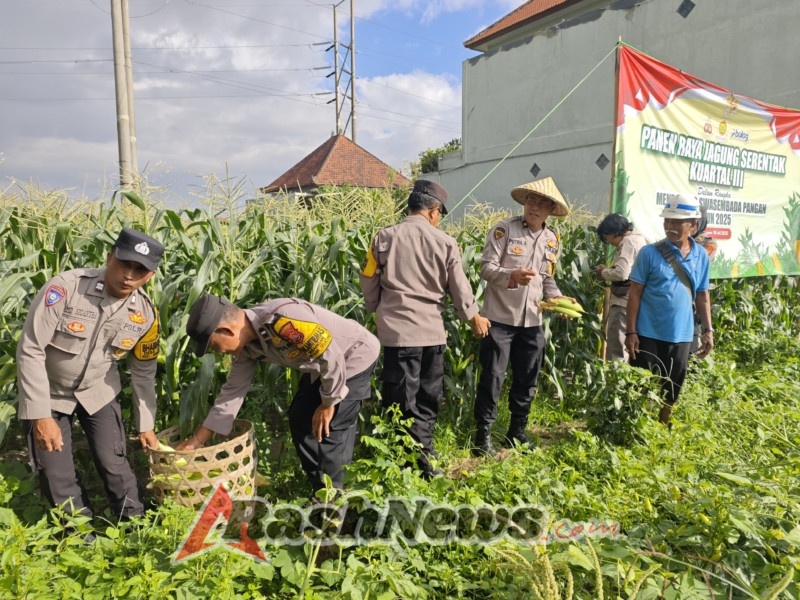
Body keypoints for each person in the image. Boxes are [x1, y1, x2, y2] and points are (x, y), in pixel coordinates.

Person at [17, 228, 164, 522]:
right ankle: (79, 536)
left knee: (114, 463)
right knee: (57, 474)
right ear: (109, 258)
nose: (129, 275)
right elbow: (30, 349)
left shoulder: (146, 315)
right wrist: (40, 415)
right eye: (124, 263)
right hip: (50, 393)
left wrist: (146, 424)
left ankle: (134, 526)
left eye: (140, 270)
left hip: (99, 391)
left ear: (150, 276)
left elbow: (144, 372)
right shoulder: (65, 289)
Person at [179, 294, 379, 492]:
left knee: (330, 430)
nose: (218, 351)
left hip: (353, 356)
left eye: (214, 345)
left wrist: (328, 403)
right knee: (300, 418)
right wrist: (198, 440)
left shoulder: (283, 320)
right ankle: (321, 488)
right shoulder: (248, 346)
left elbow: (331, 354)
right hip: (323, 368)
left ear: (226, 330)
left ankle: (333, 504)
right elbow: (232, 391)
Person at [359, 179, 491, 479]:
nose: (439, 219)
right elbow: (459, 287)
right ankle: (424, 456)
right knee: (427, 397)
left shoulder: (382, 238)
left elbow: (368, 280)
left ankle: (403, 457)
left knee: (399, 397)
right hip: (432, 333)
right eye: (440, 213)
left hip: (396, 334)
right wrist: (473, 318)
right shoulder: (445, 242)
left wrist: (375, 307)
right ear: (433, 211)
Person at [472, 177, 574, 456]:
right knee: (493, 377)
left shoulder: (553, 240)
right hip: (499, 319)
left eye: (543, 203)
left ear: (551, 210)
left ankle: (516, 431)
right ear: (524, 202)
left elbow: (547, 280)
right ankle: (482, 436)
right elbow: (486, 269)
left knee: (527, 378)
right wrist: (511, 276)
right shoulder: (504, 230)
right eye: (531, 200)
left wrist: (559, 299)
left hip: (532, 321)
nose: (535, 206)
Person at [625, 193, 714, 425]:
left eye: (676, 222)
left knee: (673, 385)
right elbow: (634, 293)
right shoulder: (649, 253)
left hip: (682, 334)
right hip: (647, 333)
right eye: (667, 221)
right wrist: (631, 332)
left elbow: (703, 295)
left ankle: (664, 425)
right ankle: (634, 426)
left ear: (692, 225)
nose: (670, 226)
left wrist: (708, 330)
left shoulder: (701, 255)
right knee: (639, 384)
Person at [593, 214, 647, 361]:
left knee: (617, 349)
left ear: (613, 233)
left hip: (623, 302)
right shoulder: (640, 239)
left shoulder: (628, 242)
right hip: (636, 301)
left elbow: (622, 273)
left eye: (607, 238)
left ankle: (615, 380)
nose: (609, 242)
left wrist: (602, 273)